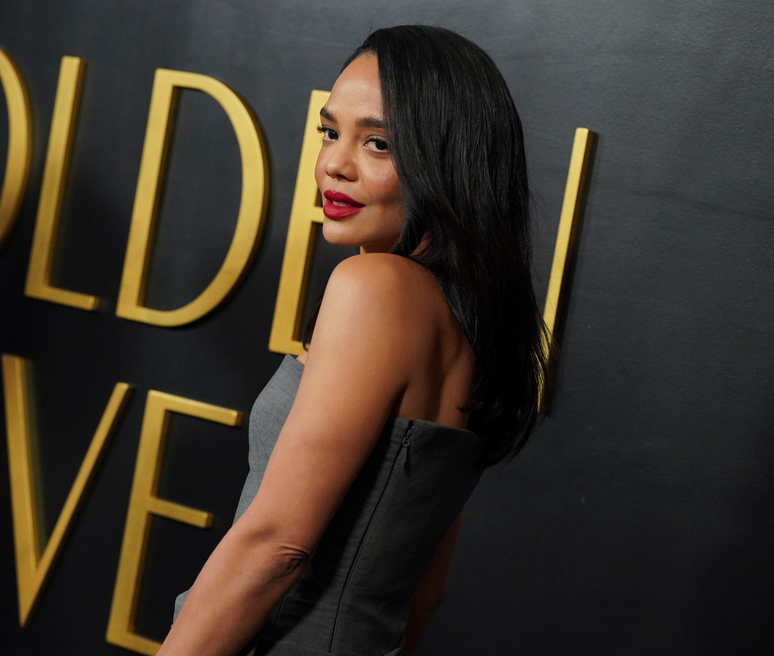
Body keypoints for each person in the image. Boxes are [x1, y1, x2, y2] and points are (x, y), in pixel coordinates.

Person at [160, 25, 546, 656]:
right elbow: (426, 593)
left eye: (378, 143)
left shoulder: (374, 287)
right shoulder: (469, 321)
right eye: (329, 131)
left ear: (445, 160)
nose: (334, 165)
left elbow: (276, 546)